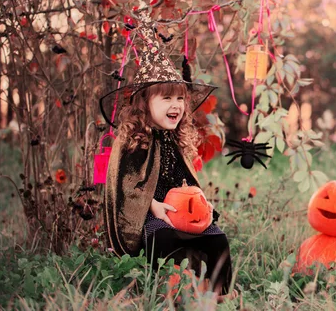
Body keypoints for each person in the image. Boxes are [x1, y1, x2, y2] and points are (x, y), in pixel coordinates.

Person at [101, 30, 237, 301]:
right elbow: (123, 185)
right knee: (162, 239)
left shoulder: (176, 139)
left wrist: (201, 203)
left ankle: (220, 294)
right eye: (166, 99)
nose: (175, 106)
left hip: (183, 214)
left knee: (217, 239)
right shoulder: (133, 140)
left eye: (179, 99)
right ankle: (167, 290)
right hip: (150, 216)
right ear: (144, 103)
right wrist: (151, 204)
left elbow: (185, 179)